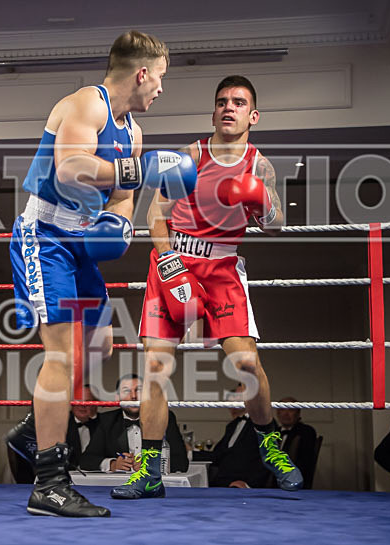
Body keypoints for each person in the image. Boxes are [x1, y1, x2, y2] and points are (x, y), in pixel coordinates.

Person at [8, 30, 196, 517]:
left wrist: (120, 223)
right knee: (61, 355)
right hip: (45, 234)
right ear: (141, 73)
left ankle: (33, 428)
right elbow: (70, 168)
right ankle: (47, 482)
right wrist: (142, 172)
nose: (161, 88)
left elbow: (121, 195)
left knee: (102, 344)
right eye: (159, 78)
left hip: (81, 242)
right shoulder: (84, 105)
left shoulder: (131, 129)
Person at [116, 74, 303, 500]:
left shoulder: (259, 165)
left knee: (247, 367)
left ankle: (270, 444)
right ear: (214, 111)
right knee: (155, 370)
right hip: (174, 261)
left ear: (252, 115)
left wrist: (260, 201)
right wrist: (167, 261)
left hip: (222, 269)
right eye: (222, 101)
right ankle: (148, 471)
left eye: (238, 102)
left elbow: (276, 226)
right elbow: (155, 214)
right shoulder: (189, 156)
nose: (228, 107)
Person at [79, 374, 187, 473]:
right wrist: (113, 464)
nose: (133, 396)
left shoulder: (163, 417)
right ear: (117, 397)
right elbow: (86, 460)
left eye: (139, 390)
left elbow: (181, 462)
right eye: (126, 391)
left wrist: (152, 464)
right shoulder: (106, 420)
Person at [206, 383, 269, 488]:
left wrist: (248, 484)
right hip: (222, 480)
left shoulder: (262, 422)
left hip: (243, 483)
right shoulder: (232, 425)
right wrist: (189, 453)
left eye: (240, 396)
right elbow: (218, 454)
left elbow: (269, 456)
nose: (233, 399)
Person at [275, 396, 318, 489]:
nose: (286, 414)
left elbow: (304, 462)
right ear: (277, 413)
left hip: (295, 481)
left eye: (290, 410)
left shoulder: (306, 431)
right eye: (282, 409)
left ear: (298, 413)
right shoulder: (274, 432)